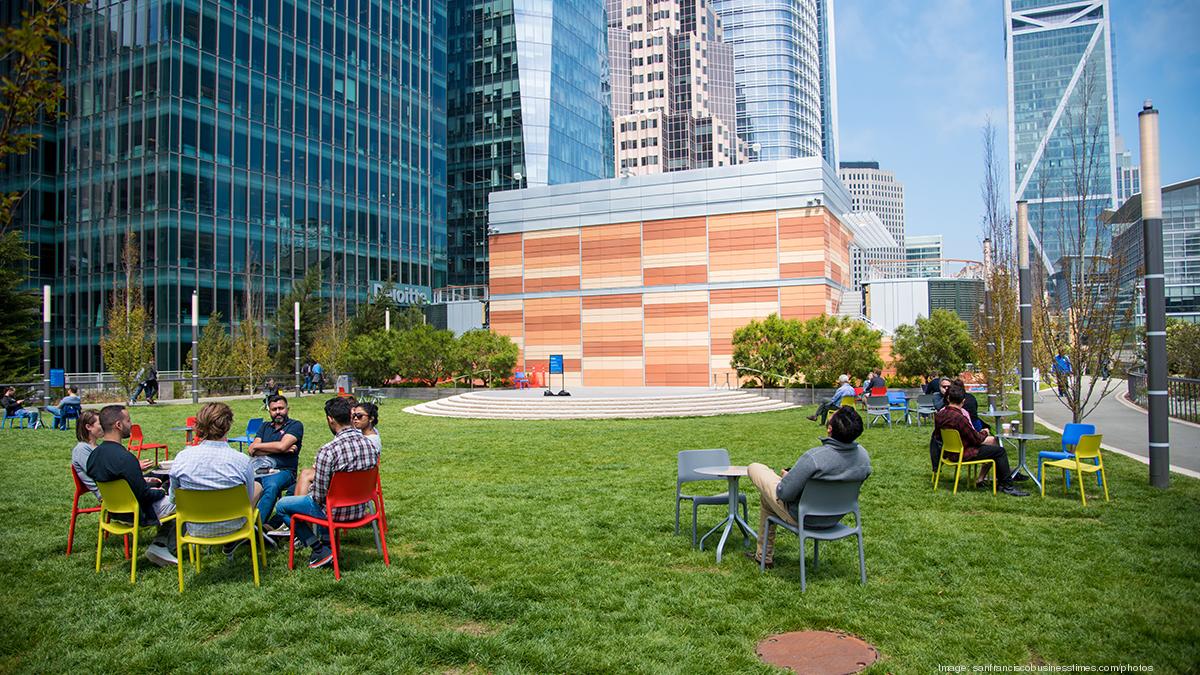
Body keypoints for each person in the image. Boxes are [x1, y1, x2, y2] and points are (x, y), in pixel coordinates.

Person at [746, 407, 872, 568]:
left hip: (804, 517)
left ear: (829, 429)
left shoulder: (814, 458)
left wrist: (786, 478)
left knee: (755, 467)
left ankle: (764, 557)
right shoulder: (864, 457)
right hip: (835, 517)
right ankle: (762, 557)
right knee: (766, 499)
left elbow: (784, 494)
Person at [274, 397, 381, 569]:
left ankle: (319, 549)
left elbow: (319, 497)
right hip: (361, 510)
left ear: (330, 419)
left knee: (282, 506)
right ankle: (327, 545)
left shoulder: (328, 451)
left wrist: (307, 492)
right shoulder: (371, 445)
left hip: (335, 513)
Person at [85, 405, 178, 565]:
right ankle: (162, 545)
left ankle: (162, 543)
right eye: (128, 420)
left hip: (114, 511)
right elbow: (145, 496)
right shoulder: (125, 458)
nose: (131, 424)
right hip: (138, 512)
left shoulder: (94, 457)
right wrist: (161, 491)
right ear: (118, 425)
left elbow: (119, 484)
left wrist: (146, 483)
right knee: (182, 502)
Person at [169, 402, 262, 555]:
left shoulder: (182, 458)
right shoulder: (241, 461)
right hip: (234, 525)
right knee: (257, 486)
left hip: (195, 527)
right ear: (228, 426)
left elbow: (174, 499)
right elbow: (248, 498)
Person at [931, 385, 1028, 496]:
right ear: (963, 401)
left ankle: (1001, 482)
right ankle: (1007, 486)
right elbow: (976, 439)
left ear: (948, 399)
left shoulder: (939, 415)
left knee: (993, 449)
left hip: (948, 453)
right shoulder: (959, 418)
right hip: (963, 453)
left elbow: (938, 436)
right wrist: (985, 431)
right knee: (999, 451)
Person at [248, 394, 304, 533]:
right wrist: (281, 448)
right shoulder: (264, 426)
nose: (278, 412)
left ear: (287, 409)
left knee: (271, 486)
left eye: (281, 408)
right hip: (260, 468)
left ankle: (256, 527)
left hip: (284, 470)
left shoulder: (295, 425)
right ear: (269, 411)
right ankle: (240, 524)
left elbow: (281, 446)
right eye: (274, 409)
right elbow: (252, 450)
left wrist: (265, 447)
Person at [71, 410, 105, 500]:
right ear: (88, 427)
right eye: (100, 424)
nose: (104, 426)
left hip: (116, 487)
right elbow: (100, 474)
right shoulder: (81, 449)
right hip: (107, 493)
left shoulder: (97, 447)